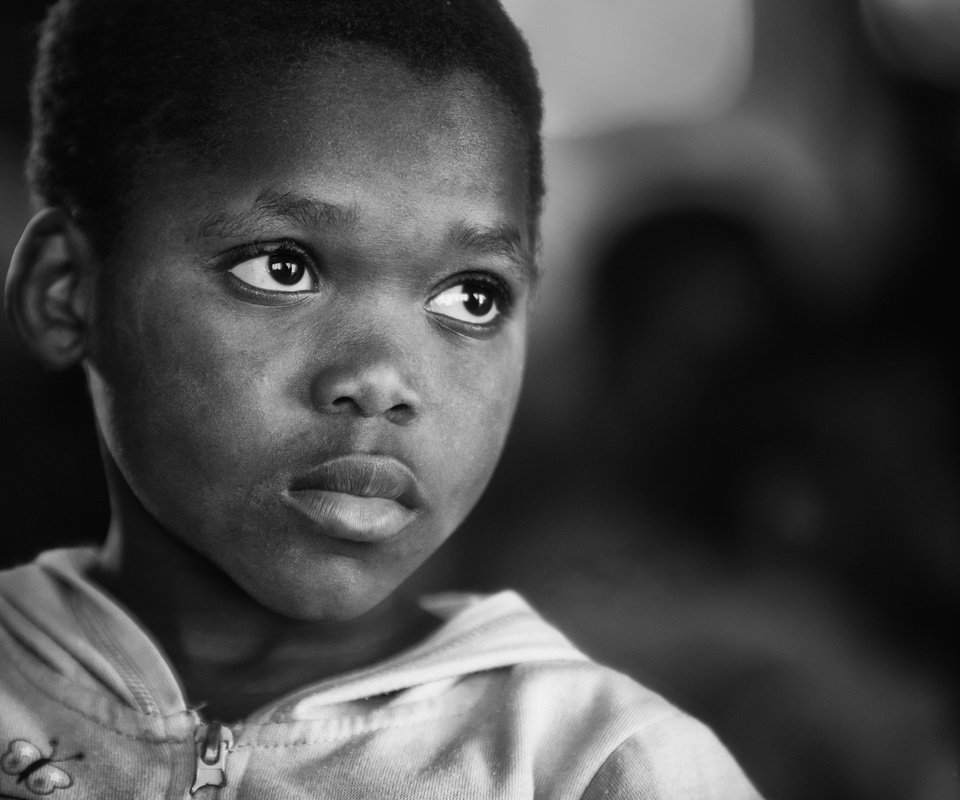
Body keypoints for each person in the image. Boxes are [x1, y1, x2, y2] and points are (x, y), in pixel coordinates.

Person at [0, 0, 761, 796]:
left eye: (470, 297)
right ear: (66, 294)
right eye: (281, 268)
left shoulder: (593, 765)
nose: (382, 381)